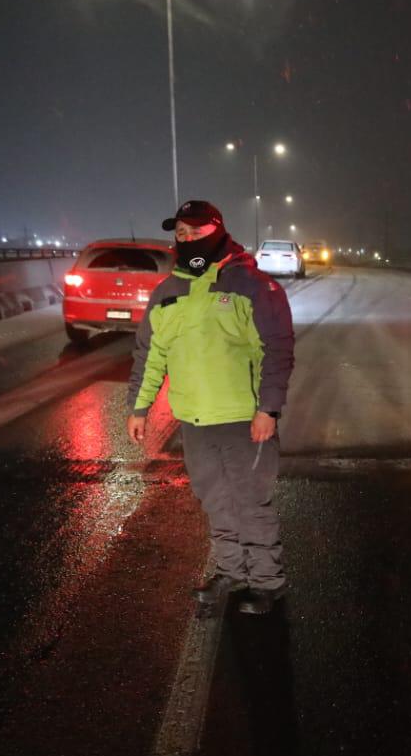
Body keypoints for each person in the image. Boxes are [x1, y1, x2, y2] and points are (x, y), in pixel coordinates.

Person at [125, 200, 295, 614]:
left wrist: (267, 410)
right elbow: (150, 354)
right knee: (216, 501)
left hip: (243, 418)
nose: (186, 239)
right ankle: (232, 572)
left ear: (217, 230)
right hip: (196, 421)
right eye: (180, 233)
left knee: (249, 500)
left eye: (195, 232)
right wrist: (139, 407)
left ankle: (267, 583)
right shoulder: (168, 292)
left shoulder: (252, 285)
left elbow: (277, 349)